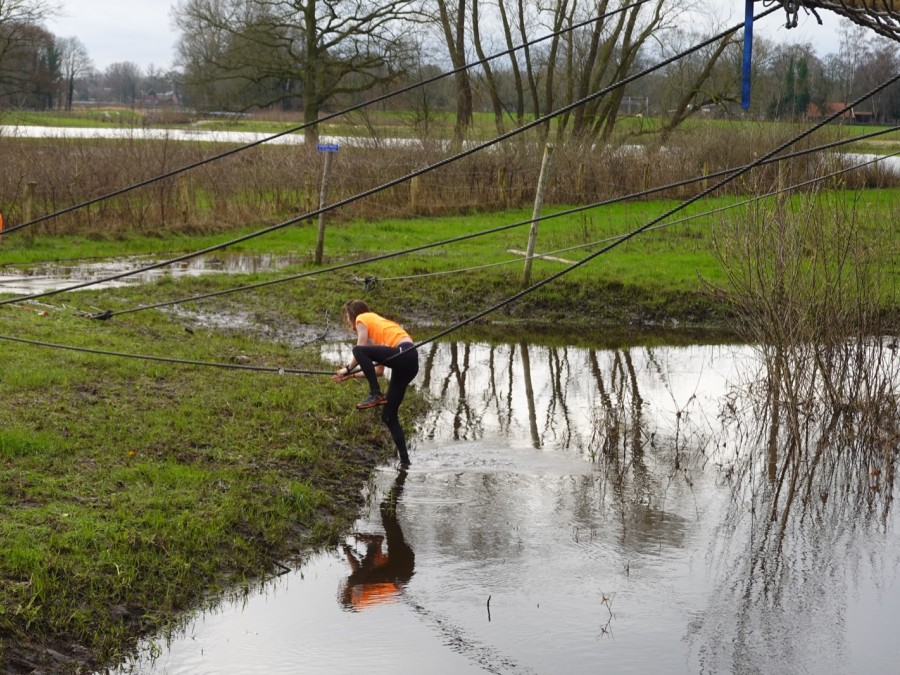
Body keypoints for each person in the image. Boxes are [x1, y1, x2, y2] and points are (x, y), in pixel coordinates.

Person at [332, 299, 419, 466]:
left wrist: (347, 369)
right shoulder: (378, 330)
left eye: (348, 318)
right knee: (388, 416)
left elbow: (359, 350)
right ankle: (405, 463)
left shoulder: (362, 318)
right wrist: (351, 376)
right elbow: (378, 371)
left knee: (358, 350)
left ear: (353, 315)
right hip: (409, 363)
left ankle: (375, 393)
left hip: (404, 353)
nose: (350, 323)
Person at [339, 469, 414, 611]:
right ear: (348, 595)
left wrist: (347, 552)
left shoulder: (359, 595)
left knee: (387, 512)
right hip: (400, 568)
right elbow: (359, 573)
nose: (343, 589)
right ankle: (402, 475)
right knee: (386, 510)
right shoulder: (356, 597)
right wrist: (349, 551)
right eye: (343, 592)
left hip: (401, 570)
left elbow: (359, 571)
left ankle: (375, 543)